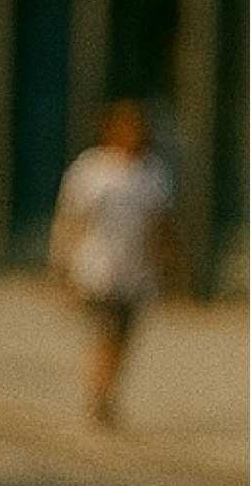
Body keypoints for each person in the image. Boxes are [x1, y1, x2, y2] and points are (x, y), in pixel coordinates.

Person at [51, 100, 175, 424]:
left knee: (126, 336)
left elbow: (161, 222)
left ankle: (109, 392)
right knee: (103, 332)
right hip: (97, 268)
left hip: (136, 271)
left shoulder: (152, 172)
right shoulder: (91, 169)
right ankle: (98, 396)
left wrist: (166, 262)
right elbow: (72, 218)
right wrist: (64, 265)